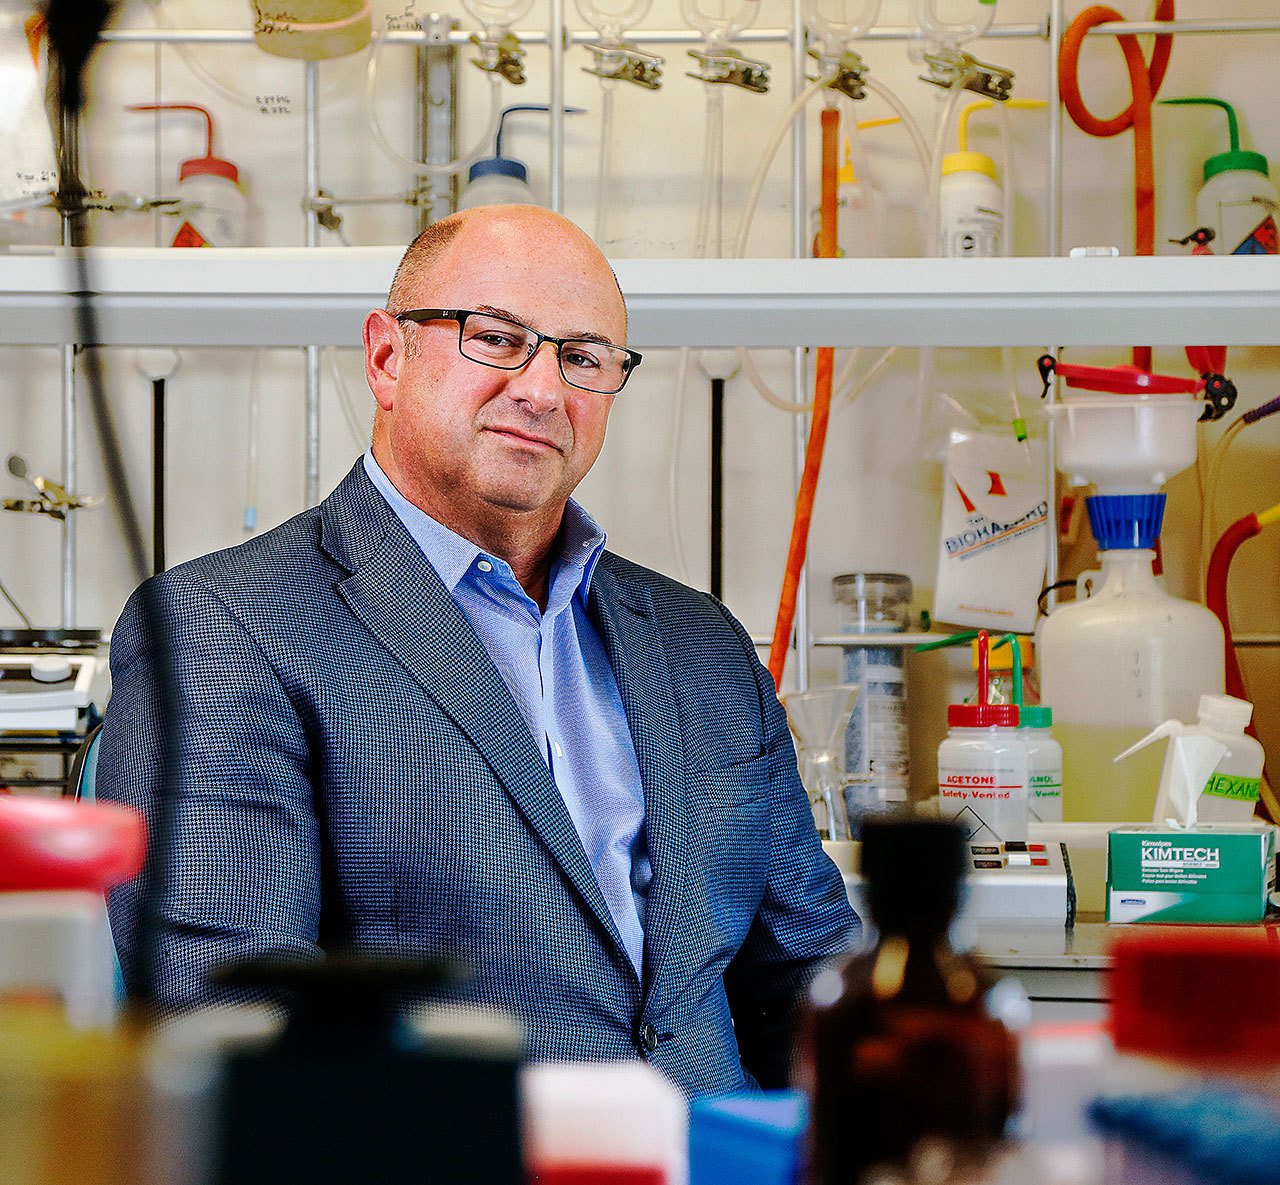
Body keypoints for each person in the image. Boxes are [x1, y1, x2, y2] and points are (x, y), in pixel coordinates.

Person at [98, 205, 858, 1095]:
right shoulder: (223, 627)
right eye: (497, 339)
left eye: (583, 358)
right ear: (388, 356)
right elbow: (233, 1036)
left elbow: (810, 974)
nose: (542, 389)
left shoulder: (704, 645)